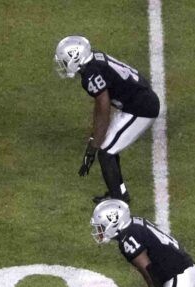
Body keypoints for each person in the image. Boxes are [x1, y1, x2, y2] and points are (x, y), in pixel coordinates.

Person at [54, 35, 161, 206]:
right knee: (108, 147)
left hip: (141, 109)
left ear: (76, 59)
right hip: (135, 101)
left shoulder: (90, 73)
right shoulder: (94, 61)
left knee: (106, 152)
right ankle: (119, 193)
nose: (63, 64)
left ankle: (118, 202)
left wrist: (93, 145)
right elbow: (100, 107)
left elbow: (104, 107)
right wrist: (93, 139)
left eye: (65, 60)